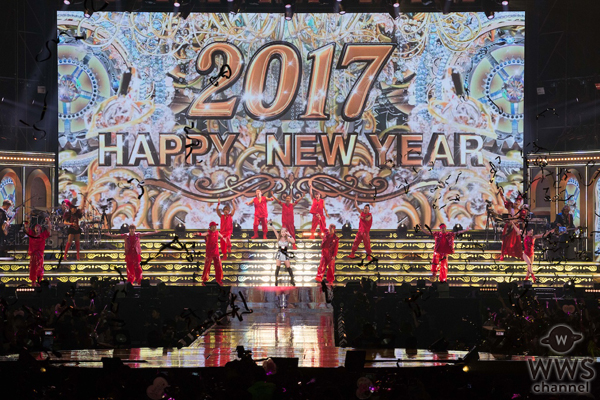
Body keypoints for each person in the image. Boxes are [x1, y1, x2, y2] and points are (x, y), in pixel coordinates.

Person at [499, 191, 526, 260]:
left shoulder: (521, 212)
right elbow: (504, 199)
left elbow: (523, 222)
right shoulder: (510, 207)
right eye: (515, 202)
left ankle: (520, 255)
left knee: (518, 241)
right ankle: (502, 255)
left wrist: (524, 231)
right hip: (509, 226)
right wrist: (501, 193)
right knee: (505, 241)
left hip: (516, 227)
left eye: (518, 202)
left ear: (520, 203)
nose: (516, 203)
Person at [24, 217, 51, 286]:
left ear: (40, 229)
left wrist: (48, 221)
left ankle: (38, 282)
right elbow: (26, 228)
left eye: (38, 227)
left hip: (39, 255)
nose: (37, 228)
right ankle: (33, 282)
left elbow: (49, 229)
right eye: (36, 227)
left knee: (39, 269)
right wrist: (27, 221)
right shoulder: (31, 235)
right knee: (33, 269)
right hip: (33, 255)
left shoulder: (43, 235)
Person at [269, 221, 296, 286]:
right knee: (277, 267)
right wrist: (271, 225)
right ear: (281, 233)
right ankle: (276, 281)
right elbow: (274, 230)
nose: (283, 233)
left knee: (288, 267)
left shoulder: (288, 238)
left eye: (284, 232)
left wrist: (289, 234)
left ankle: (292, 280)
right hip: (279, 253)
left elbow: (293, 241)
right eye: (282, 232)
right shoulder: (278, 237)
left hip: (285, 254)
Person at [348, 195, 372, 259]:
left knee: (367, 245)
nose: (365, 209)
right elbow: (356, 206)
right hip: (360, 232)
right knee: (355, 243)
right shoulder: (362, 213)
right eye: (365, 208)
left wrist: (361, 217)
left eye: (367, 208)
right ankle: (352, 254)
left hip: (365, 233)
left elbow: (367, 219)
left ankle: (369, 256)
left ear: (369, 209)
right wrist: (355, 200)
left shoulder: (369, 215)